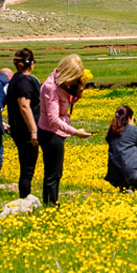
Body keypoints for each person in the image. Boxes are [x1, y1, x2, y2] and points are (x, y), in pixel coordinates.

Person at [37, 54, 93, 206]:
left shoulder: (61, 83)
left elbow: (64, 104)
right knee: (53, 174)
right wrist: (75, 132)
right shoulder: (51, 88)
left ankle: (51, 203)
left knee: (56, 172)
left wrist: (77, 93)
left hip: (56, 133)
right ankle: (50, 205)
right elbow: (53, 120)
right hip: (50, 133)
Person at [6, 48, 42, 199]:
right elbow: (24, 105)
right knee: (27, 169)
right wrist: (34, 130)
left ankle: (24, 198)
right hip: (26, 130)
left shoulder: (15, 79)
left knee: (26, 167)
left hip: (17, 128)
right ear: (31, 63)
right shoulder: (25, 81)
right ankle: (25, 199)